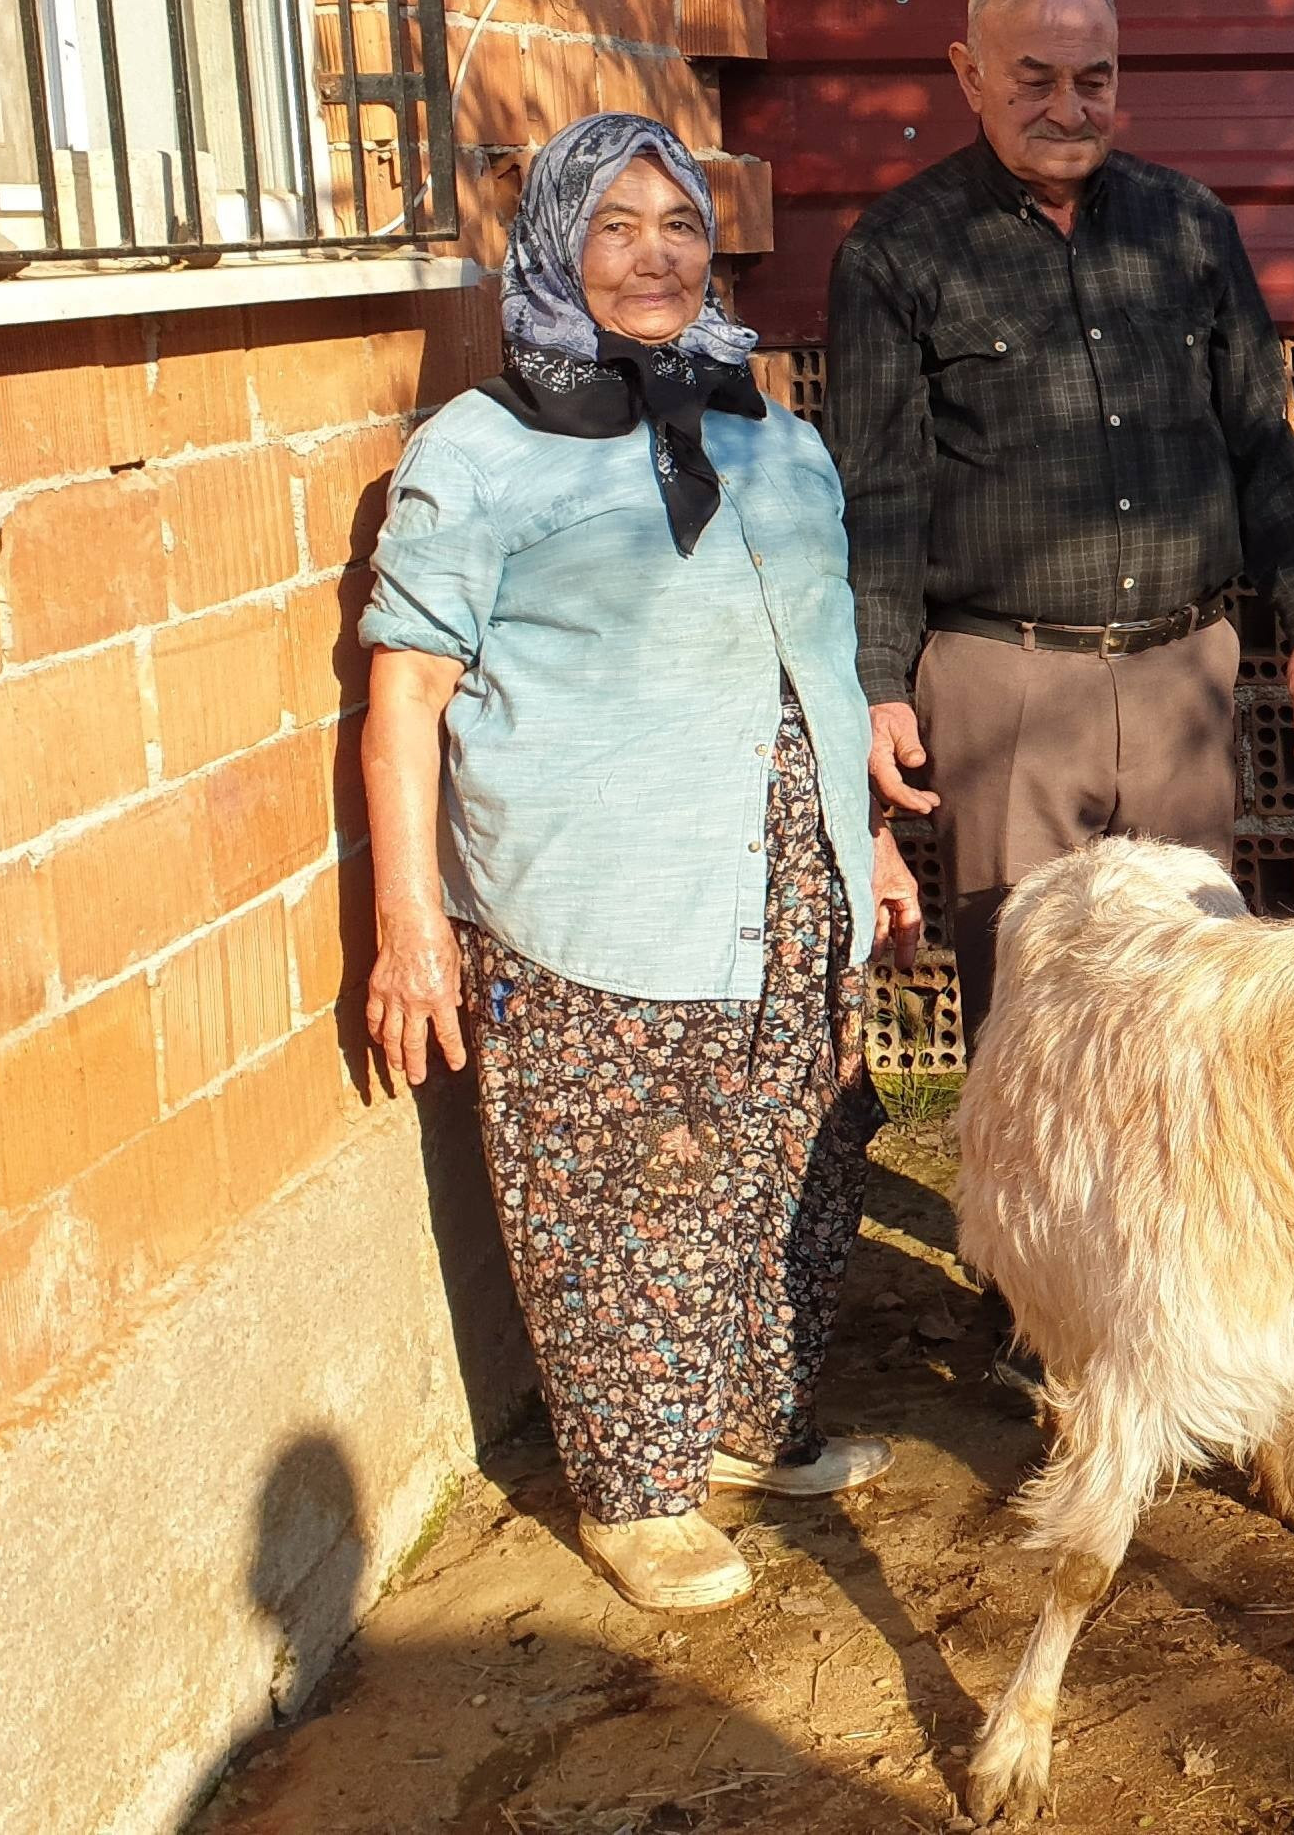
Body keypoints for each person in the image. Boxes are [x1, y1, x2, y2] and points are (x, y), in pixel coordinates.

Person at [359, 113, 929, 1611]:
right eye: (614, 226)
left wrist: (864, 845)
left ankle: (748, 1425)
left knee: (800, 1155)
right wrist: (409, 922)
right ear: (552, 244)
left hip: (783, 879)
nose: (656, 254)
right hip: (597, 889)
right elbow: (406, 695)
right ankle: (636, 1487)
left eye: (678, 224)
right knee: (629, 1191)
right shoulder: (479, 453)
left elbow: (818, 651)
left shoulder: (771, 428)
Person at [822, 0, 1294, 1048]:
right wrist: (879, 685)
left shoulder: (1191, 226)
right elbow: (877, 492)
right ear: (969, 75)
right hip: (1001, 687)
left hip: (1181, 678)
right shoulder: (897, 250)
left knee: (1189, 1003)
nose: (1069, 106)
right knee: (1030, 1015)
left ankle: (1176, 1225)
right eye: (1035, 79)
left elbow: (1262, 438)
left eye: (1094, 78)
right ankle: (1023, 1228)